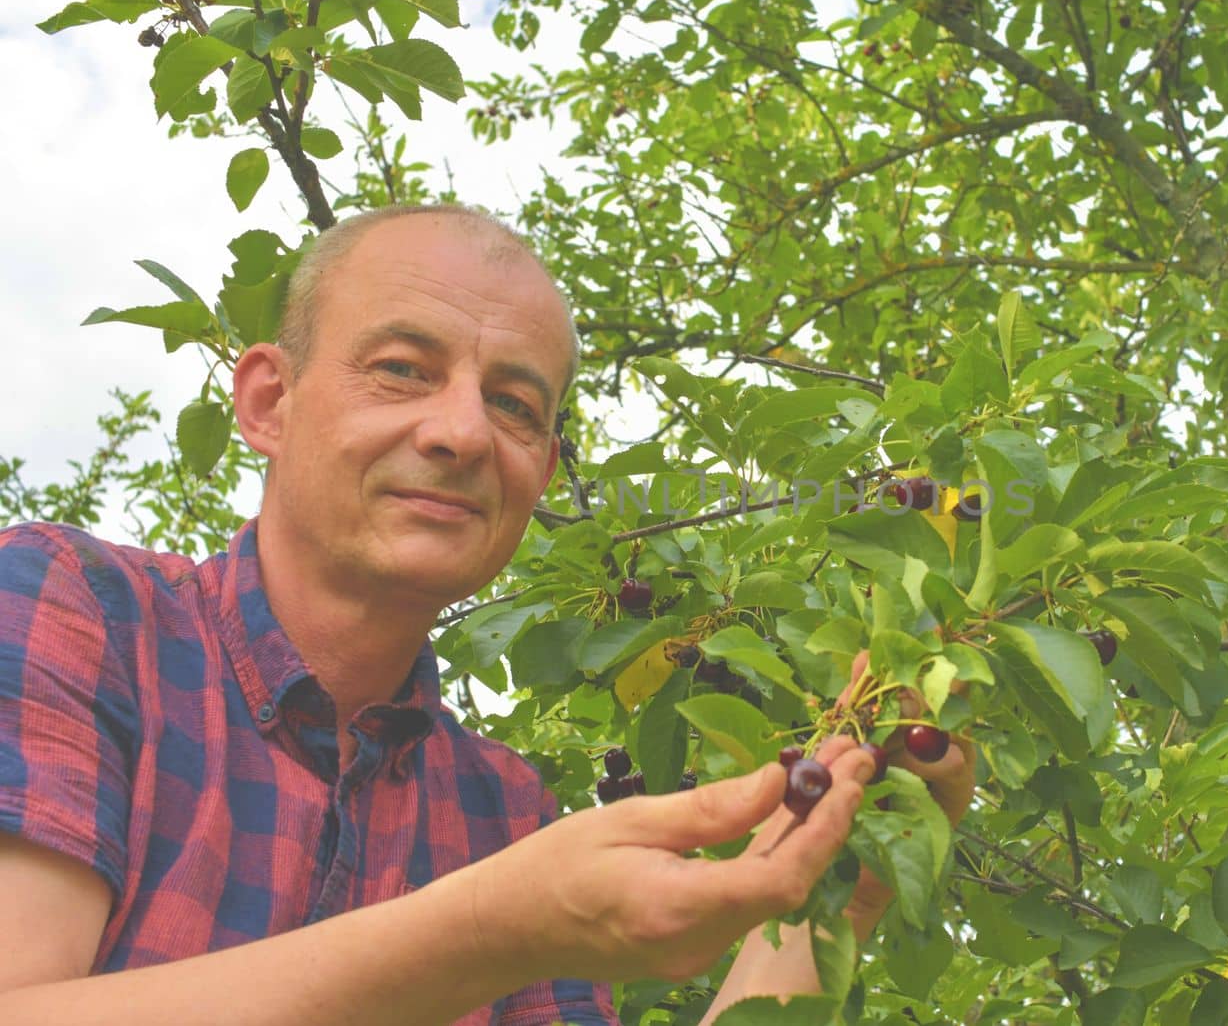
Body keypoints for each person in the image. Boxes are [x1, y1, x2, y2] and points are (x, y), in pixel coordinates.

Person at [0, 204, 974, 1024]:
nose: (461, 431)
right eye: (401, 367)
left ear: (541, 472)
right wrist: (485, 930)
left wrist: (821, 884)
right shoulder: (74, 606)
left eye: (513, 403)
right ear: (268, 400)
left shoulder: (502, 811)